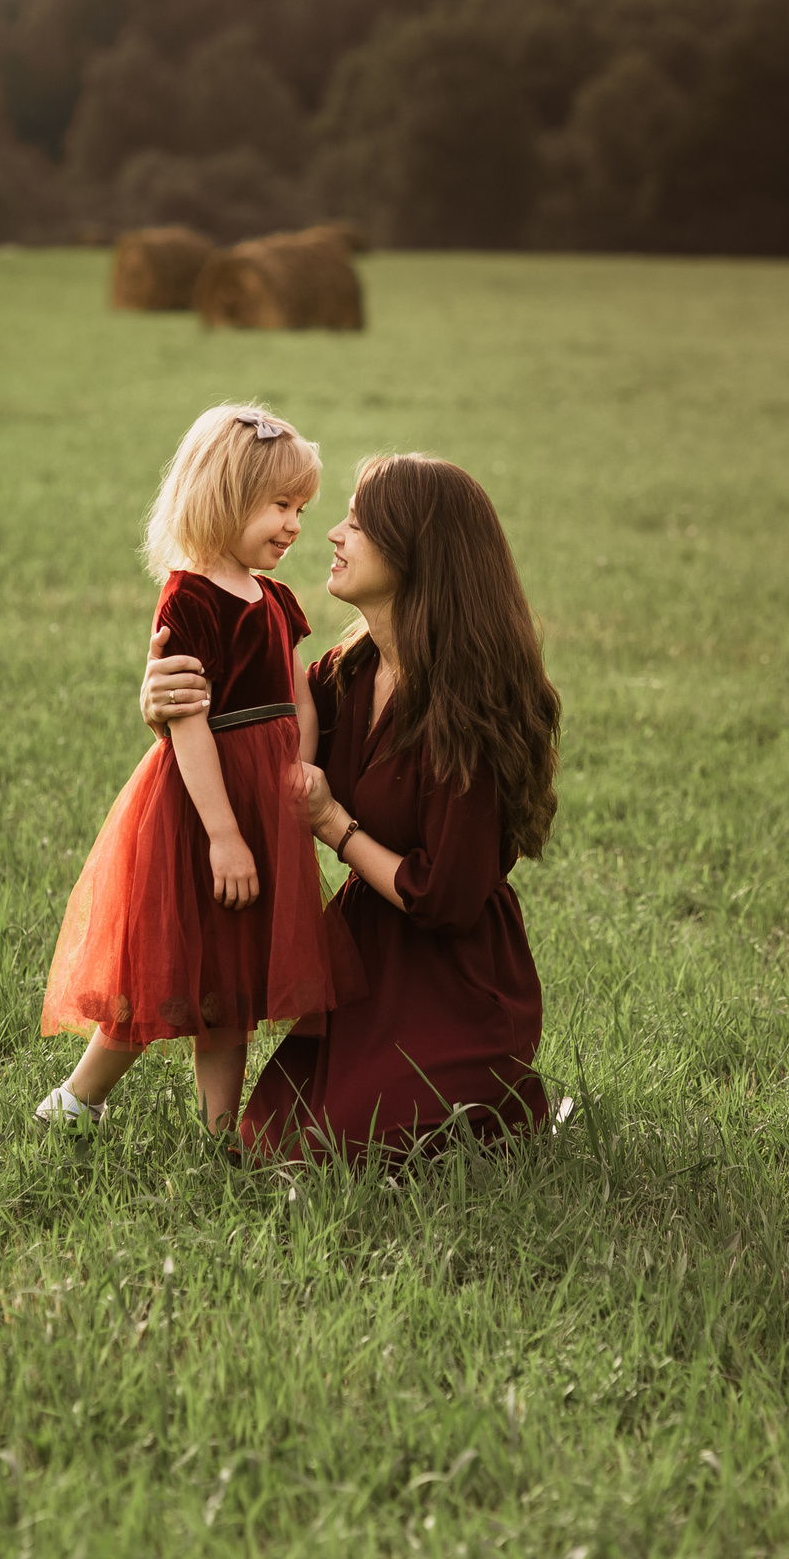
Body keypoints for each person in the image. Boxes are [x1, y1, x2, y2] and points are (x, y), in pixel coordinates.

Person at [142, 453, 561, 1156]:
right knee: (269, 1143)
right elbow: (248, 725)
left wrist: (333, 824)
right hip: (365, 967)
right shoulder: (350, 673)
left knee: (351, 1149)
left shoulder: (472, 710)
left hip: (456, 982)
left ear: (414, 552)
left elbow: (446, 899)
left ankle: (505, 1097)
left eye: (358, 525)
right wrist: (161, 703)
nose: (332, 534)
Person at [36, 404, 360, 1133]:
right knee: (168, 969)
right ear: (225, 498)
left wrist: (302, 770)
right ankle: (76, 1099)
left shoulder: (276, 599)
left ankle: (220, 1132)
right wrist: (223, 833)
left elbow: (299, 697)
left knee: (232, 980)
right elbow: (186, 721)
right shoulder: (190, 597)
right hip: (203, 809)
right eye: (280, 506)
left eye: (301, 509)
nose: (295, 525)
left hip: (264, 804)